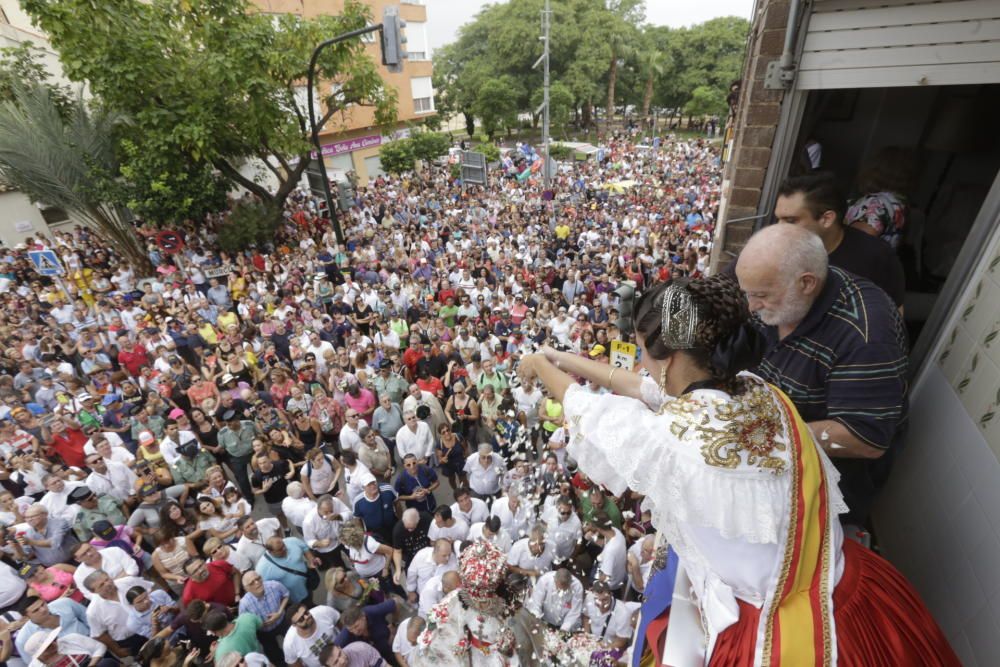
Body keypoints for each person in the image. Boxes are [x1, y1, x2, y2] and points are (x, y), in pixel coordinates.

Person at [517, 274, 958, 664]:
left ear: (668, 358)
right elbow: (638, 388)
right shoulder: (758, 391)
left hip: (781, 638)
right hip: (852, 589)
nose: (641, 364)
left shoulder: (672, 440)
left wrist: (539, 364)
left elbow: (587, 411)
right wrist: (560, 356)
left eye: (642, 350)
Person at [735, 223, 909, 526]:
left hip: (828, 483)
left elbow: (865, 439)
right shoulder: (792, 294)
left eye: (761, 295)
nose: (752, 306)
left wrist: (770, 435)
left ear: (806, 283)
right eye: (748, 293)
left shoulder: (865, 337)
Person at [773, 172, 905, 308]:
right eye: (778, 218)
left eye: (790, 220)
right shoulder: (774, 248)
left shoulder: (876, 256)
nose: (779, 228)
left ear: (827, 219)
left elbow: (893, 316)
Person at [256, 535, 320, 605]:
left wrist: (312, 560)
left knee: (310, 598)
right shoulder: (262, 568)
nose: (284, 549)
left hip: (308, 582)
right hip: (295, 597)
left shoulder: (292, 541)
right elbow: (264, 589)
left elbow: (304, 548)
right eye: (279, 549)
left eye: (284, 545)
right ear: (270, 552)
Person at [333, 600, 399, 666]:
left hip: (392, 647)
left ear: (363, 617)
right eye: (351, 630)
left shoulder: (373, 611)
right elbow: (332, 651)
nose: (355, 631)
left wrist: (394, 624)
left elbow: (395, 603)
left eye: (356, 626)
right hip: (374, 661)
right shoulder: (345, 637)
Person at [283, 602, 342, 667]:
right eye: (301, 619)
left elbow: (341, 624)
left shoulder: (324, 611)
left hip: (342, 653)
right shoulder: (289, 643)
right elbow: (294, 663)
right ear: (294, 625)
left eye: (306, 613)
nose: (306, 617)